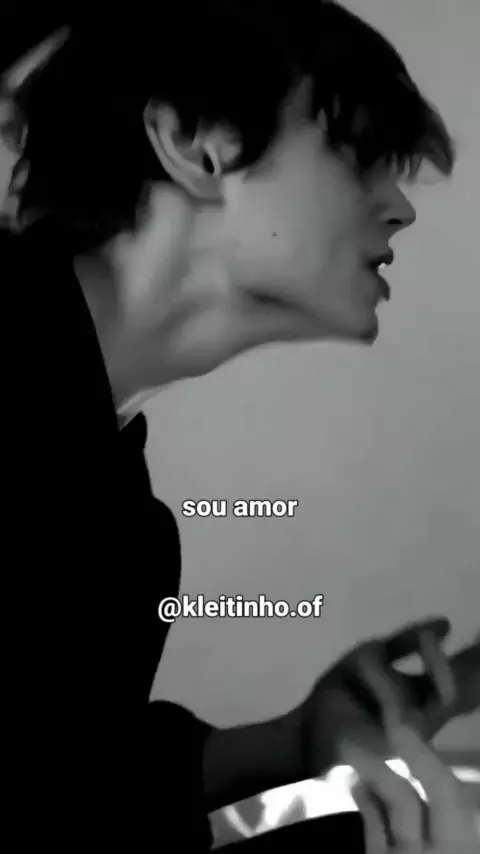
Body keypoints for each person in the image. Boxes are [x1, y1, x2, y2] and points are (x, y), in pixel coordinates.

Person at [1, 3, 478, 851]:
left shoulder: (117, 514)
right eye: (358, 152)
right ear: (196, 144)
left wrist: (288, 744)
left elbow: (63, 779)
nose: (400, 207)